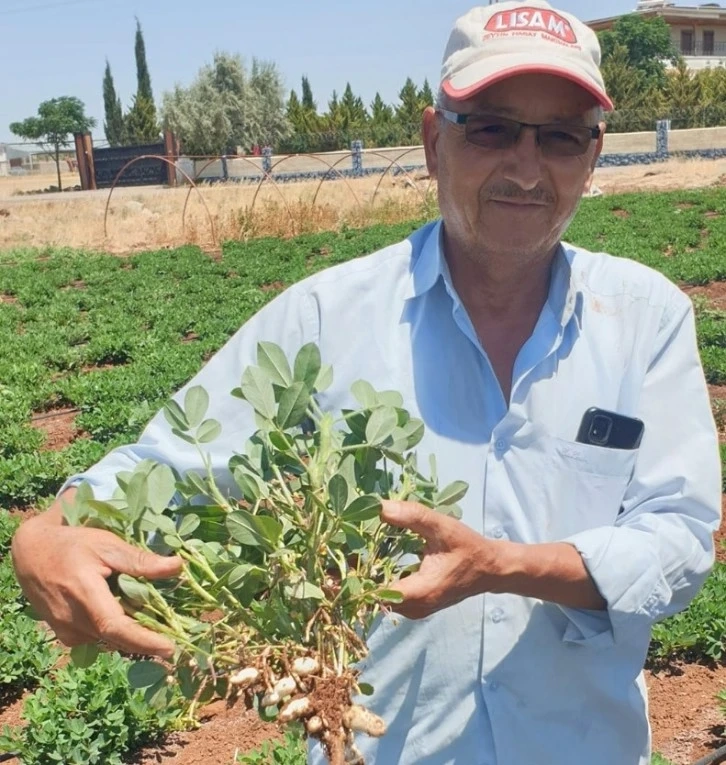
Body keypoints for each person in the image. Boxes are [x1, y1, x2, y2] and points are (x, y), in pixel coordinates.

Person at [11, 2, 722, 763]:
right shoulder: (324, 319)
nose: (525, 166)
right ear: (431, 140)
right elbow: (160, 468)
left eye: (559, 136)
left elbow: (679, 539)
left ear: (593, 153)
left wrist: (501, 567)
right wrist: (43, 535)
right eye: (490, 127)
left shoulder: (646, 318)